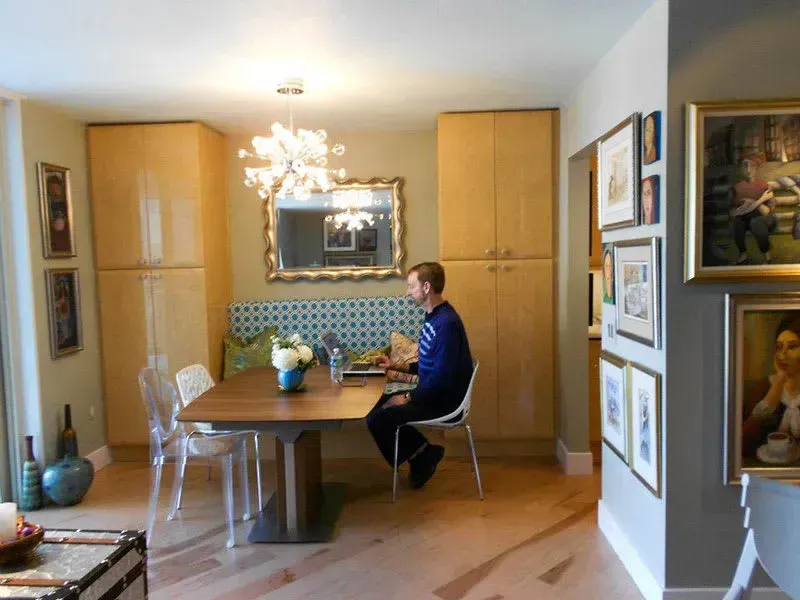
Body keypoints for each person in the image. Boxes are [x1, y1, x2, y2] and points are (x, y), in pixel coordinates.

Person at [367, 262, 474, 489]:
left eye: (411, 286)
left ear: (426, 287)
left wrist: (407, 398)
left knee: (378, 417)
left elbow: (441, 378)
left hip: (444, 401)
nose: (407, 292)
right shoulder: (435, 317)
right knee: (375, 408)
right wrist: (394, 366)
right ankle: (423, 455)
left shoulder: (446, 324)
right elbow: (429, 365)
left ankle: (423, 456)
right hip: (433, 393)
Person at [741, 314, 800, 458]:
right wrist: (779, 382)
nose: (782, 355)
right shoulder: (763, 387)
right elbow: (741, 445)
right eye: (779, 347)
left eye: (792, 347)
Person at [729, 153, 777, 265]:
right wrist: (757, 202)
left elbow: (766, 211)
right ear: (741, 168)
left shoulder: (764, 186)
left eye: (752, 165)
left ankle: (767, 256)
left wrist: (752, 203)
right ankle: (743, 253)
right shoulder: (737, 188)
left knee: (756, 222)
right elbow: (734, 212)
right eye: (745, 165)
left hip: (766, 220)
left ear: (756, 168)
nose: (748, 169)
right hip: (746, 219)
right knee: (737, 222)